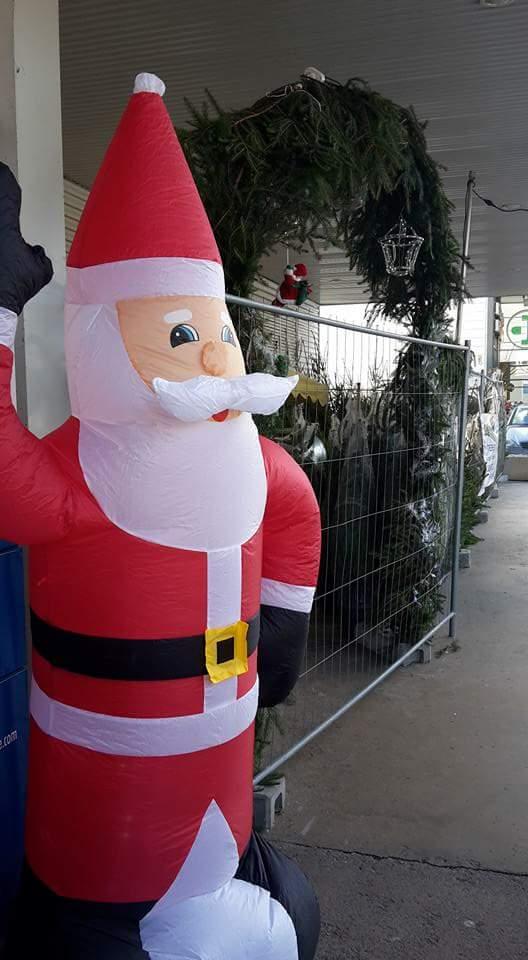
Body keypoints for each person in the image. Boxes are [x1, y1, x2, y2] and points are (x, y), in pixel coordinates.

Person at [1, 73, 321, 959]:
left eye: (216, 326)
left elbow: (292, 507)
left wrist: (283, 635)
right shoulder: (85, 470)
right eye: (181, 333)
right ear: (102, 341)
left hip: (216, 787)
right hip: (100, 828)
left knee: (274, 911)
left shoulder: (250, 461)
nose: (217, 355)